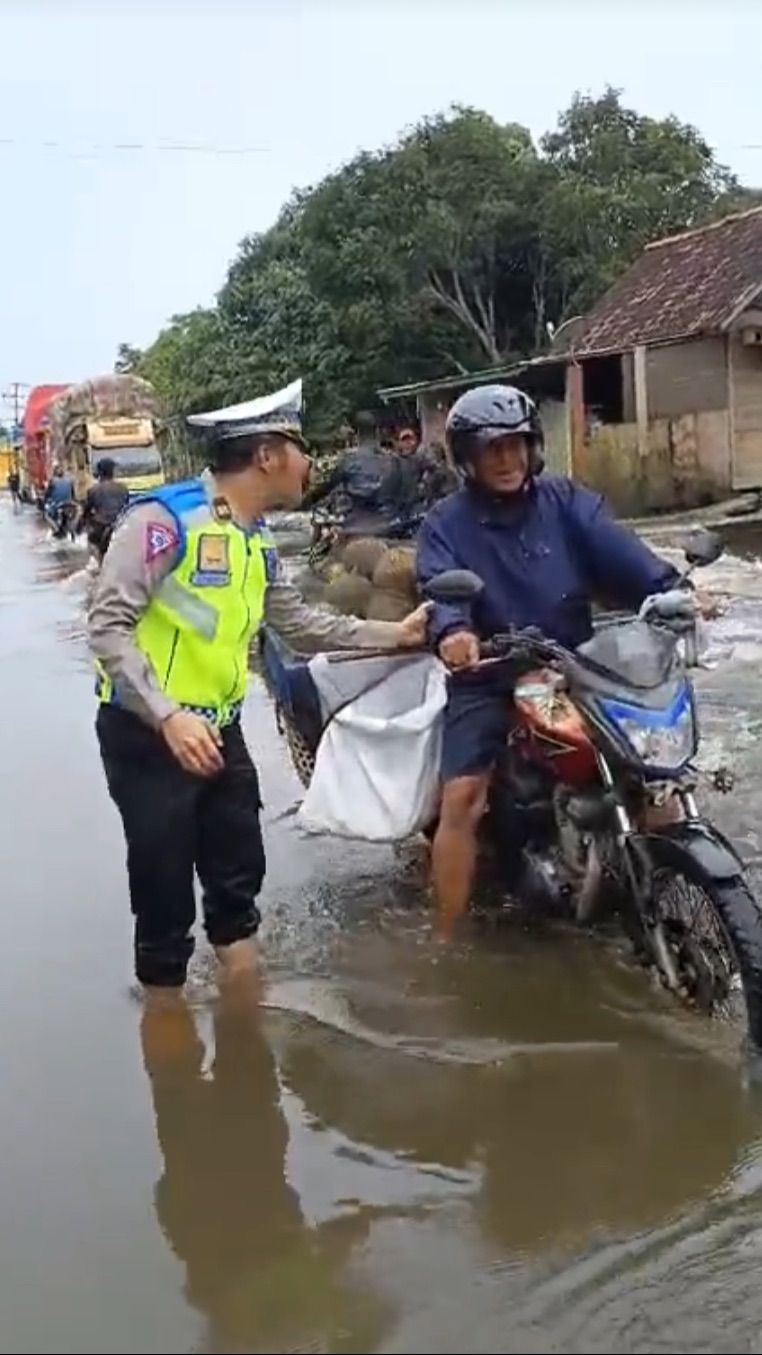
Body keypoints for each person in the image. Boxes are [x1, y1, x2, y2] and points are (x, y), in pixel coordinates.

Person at [88, 394, 429, 999]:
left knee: (238, 878)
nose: (310, 467)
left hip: (220, 729)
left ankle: (246, 1021)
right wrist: (167, 718)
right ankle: (167, 1043)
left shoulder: (256, 537)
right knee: (163, 896)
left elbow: (299, 622)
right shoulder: (163, 522)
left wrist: (393, 635)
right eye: (302, 452)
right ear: (268, 456)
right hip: (147, 735)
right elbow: (108, 627)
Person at [416, 383, 694, 932]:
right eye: (492, 448)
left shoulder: (568, 503)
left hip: (579, 665)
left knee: (658, 772)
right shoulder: (445, 524)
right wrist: (454, 634)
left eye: (517, 444)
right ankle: (445, 939)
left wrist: (671, 589)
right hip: (492, 673)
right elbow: (440, 592)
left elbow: (621, 554)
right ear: (467, 457)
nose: (507, 458)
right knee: (463, 798)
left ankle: (665, 892)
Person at [302, 410, 399, 528]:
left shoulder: (348, 459)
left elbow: (329, 486)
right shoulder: (392, 459)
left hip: (357, 522)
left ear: (355, 433)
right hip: (390, 522)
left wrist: (306, 500)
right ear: (377, 432)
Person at [78, 456, 129, 561]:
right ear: (112, 472)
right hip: (121, 525)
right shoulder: (123, 488)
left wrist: (80, 524)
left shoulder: (93, 490)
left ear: (99, 473)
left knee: (92, 543)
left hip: (101, 528)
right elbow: (127, 507)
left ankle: (98, 563)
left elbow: (86, 511)